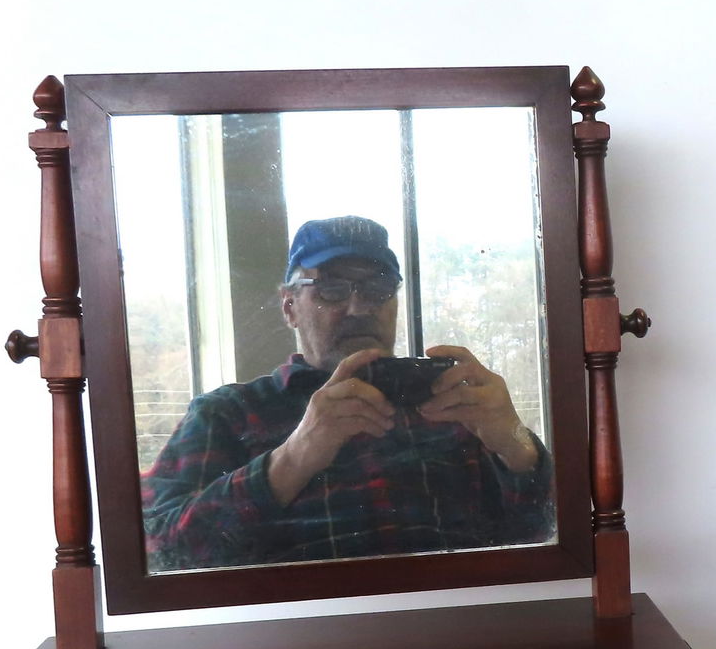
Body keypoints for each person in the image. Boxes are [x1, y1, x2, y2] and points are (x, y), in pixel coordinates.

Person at [141, 215, 553, 571]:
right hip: (298, 644)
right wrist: (293, 458)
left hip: (459, 631)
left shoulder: (452, 402)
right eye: (332, 290)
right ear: (289, 306)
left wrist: (516, 442)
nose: (359, 308)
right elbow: (160, 556)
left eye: (378, 289)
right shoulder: (225, 415)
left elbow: (549, 541)